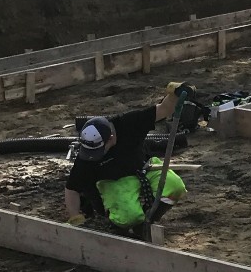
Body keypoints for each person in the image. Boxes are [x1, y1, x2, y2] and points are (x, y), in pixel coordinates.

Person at [63, 82, 193, 236]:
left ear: (111, 138)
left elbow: (164, 109)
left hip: (145, 168)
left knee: (175, 187)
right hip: (113, 181)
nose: (95, 155)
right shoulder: (87, 156)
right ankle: (122, 224)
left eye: (100, 149)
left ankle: (148, 221)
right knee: (128, 217)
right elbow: (72, 189)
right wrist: (75, 218)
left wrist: (175, 94)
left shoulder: (129, 123)